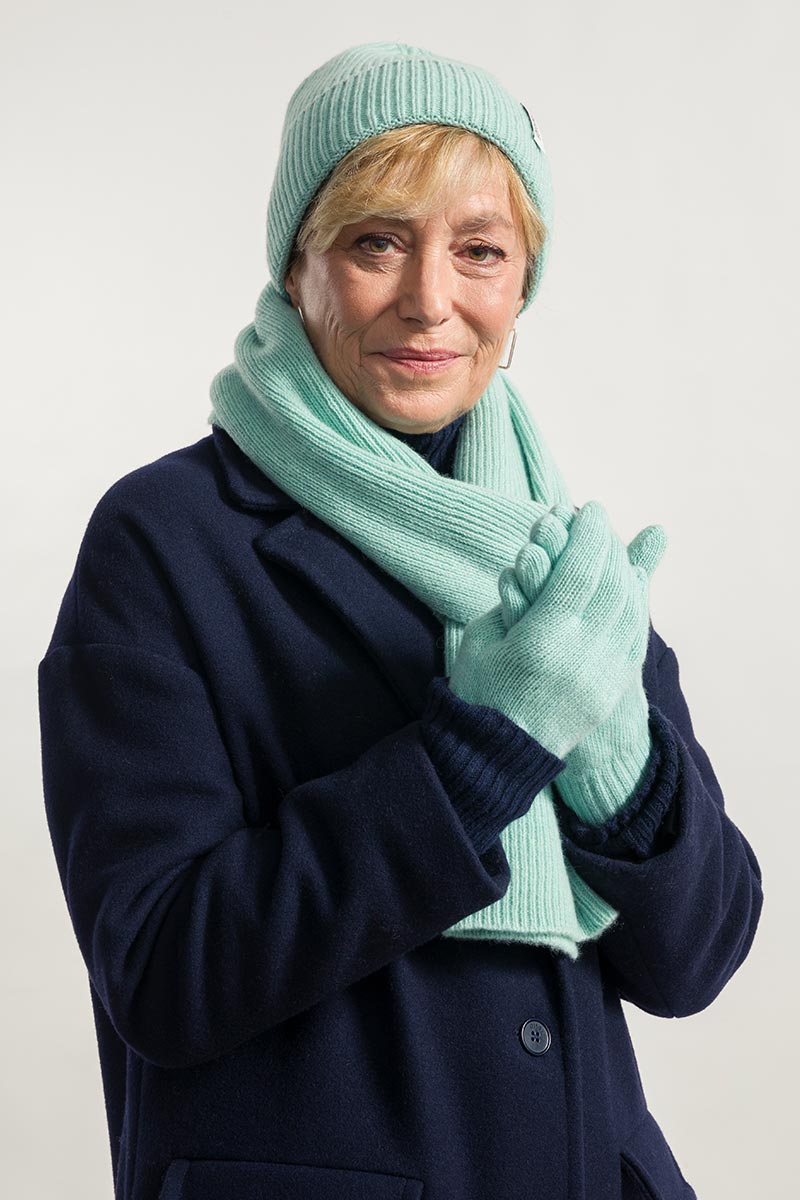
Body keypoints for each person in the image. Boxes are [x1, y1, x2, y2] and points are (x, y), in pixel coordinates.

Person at [37, 41, 763, 1200]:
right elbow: (163, 971)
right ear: (297, 267)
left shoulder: (556, 553)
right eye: (376, 243)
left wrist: (619, 766)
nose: (430, 299)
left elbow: (694, 959)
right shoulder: (163, 540)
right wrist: (483, 749)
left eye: (479, 250)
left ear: (520, 285)